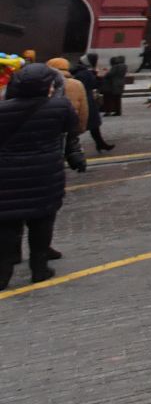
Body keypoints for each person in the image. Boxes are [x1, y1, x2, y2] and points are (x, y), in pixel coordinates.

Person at [0, 63, 81, 289]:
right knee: (42, 221)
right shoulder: (60, 106)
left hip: (6, 174)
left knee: (7, 222)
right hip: (45, 173)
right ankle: (39, 267)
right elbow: (72, 127)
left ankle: (4, 270)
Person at [71, 55, 112, 154]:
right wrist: (100, 77)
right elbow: (93, 85)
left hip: (86, 101)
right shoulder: (84, 73)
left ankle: (100, 143)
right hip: (85, 102)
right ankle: (71, 148)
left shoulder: (82, 72)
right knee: (81, 126)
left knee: (93, 126)